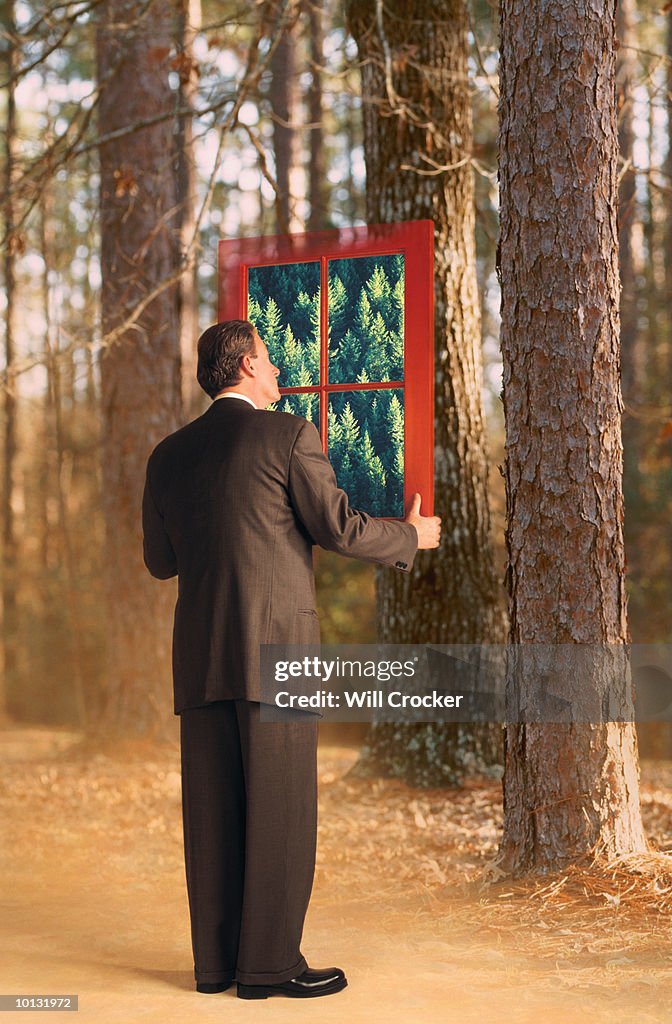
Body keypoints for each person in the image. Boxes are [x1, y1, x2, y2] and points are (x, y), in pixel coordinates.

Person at [142, 319, 441, 1000]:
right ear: (246, 365)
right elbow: (337, 525)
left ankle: (216, 967)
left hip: (199, 658)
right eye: (272, 359)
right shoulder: (287, 436)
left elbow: (160, 563)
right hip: (277, 654)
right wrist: (412, 535)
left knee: (212, 815)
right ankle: (270, 968)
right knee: (281, 813)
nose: (280, 371)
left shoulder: (168, 455)